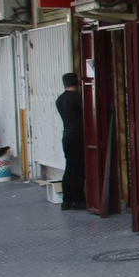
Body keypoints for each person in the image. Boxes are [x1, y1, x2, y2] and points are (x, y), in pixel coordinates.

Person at [57, 72, 84, 209]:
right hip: (78, 135)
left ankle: (66, 200)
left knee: (69, 167)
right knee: (78, 167)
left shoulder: (60, 99)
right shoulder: (77, 98)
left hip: (66, 135)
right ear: (77, 83)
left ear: (64, 84)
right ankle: (77, 199)